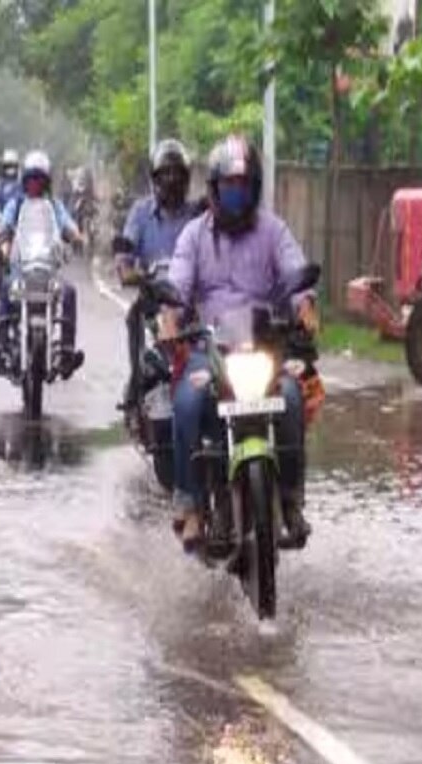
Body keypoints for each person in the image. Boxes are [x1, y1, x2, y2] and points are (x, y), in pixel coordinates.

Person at [164, 134, 320, 550]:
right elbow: (177, 283)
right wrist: (170, 314)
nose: (237, 194)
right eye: (229, 186)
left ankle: (290, 499)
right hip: (211, 348)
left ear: (255, 188)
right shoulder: (194, 236)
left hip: (262, 348)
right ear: (214, 189)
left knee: (290, 397)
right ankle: (190, 502)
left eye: (244, 185)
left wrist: (305, 306)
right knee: (186, 403)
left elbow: (294, 271)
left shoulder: (273, 230)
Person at [114, 138, 202, 412]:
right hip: (153, 294)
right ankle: (137, 380)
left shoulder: (198, 214)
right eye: (165, 174)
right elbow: (124, 254)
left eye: (177, 173)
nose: (171, 180)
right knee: (134, 317)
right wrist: (128, 270)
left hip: (190, 297)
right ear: (155, 178)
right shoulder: (141, 213)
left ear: (186, 178)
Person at [0, 150, 84, 379]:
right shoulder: (15, 205)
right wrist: (1, 240)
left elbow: (68, 226)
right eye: (31, 179)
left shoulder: (55, 206)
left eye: (39, 179)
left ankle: (66, 351)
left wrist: (76, 236)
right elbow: (3, 228)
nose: (35, 184)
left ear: (46, 182)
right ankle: (3, 349)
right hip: (21, 271)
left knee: (70, 292)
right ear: (25, 181)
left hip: (47, 271)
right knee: (5, 288)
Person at [0, 148, 21, 214]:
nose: (11, 169)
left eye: (13, 166)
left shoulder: (21, 183)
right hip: (3, 216)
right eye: (8, 166)